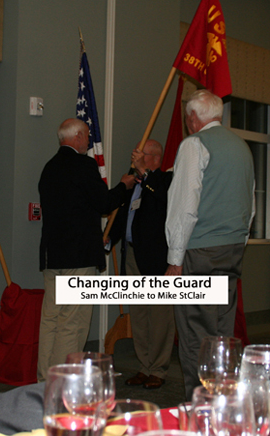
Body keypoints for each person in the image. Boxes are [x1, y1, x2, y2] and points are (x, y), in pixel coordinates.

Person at [165, 89, 255, 399]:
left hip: (199, 252)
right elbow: (250, 205)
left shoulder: (194, 144)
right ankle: (222, 401)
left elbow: (184, 206)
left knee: (195, 334)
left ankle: (200, 405)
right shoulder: (242, 148)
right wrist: (238, 242)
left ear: (193, 118)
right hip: (232, 250)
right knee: (221, 333)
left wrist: (175, 260)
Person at [37, 118, 135, 382]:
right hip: (78, 256)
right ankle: (62, 382)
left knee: (51, 320)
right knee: (72, 322)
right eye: (87, 136)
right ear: (77, 136)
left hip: (52, 256)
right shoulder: (83, 165)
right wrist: (123, 187)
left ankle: (44, 381)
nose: (89, 141)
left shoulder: (49, 168)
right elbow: (104, 203)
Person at [108, 139, 175, 390]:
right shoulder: (133, 183)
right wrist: (108, 238)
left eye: (141, 153)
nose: (135, 156)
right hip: (132, 256)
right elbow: (122, 218)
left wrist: (145, 174)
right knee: (138, 315)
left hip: (156, 258)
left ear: (154, 158)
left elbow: (164, 198)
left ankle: (158, 369)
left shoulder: (165, 181)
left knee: (159, 318)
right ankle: (144, 366)